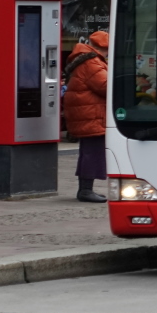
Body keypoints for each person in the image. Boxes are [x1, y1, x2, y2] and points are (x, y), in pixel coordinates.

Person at [63, 31, 110, 203]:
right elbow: (105, 86)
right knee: (93, 151)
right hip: (91, 114)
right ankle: (85, 190)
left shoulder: (86, 59)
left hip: (87, 113)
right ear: (103, 47)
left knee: (89, 151)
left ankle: (85, 189)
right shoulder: (92, 62)